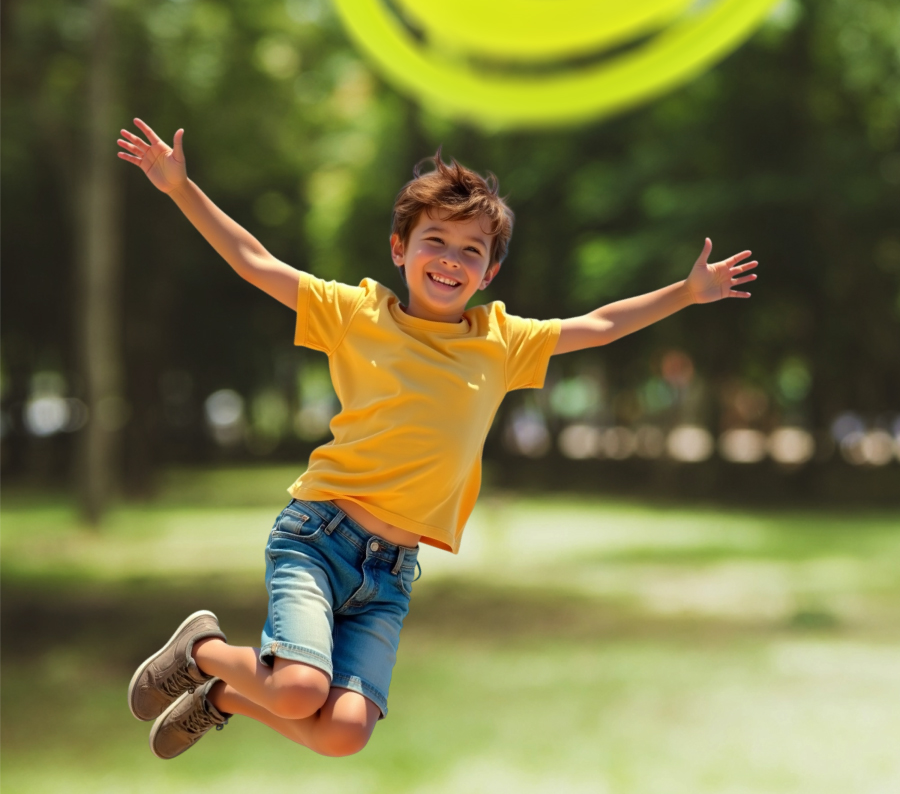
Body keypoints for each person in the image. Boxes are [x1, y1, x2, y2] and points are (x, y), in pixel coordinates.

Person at [118, 118, 757, 760]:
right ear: (399, 247)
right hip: (318, 537)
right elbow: (254, 262)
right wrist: (180, 187)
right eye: (435, 241)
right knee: (295, 691)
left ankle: (220, 697)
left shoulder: (502, 343)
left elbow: (598, 324)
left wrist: (687, 293)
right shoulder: (355, 314)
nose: (451, 259)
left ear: (490, 271)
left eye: (471, 250)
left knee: (342, 735)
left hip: (391, 574)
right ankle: (202, 650)